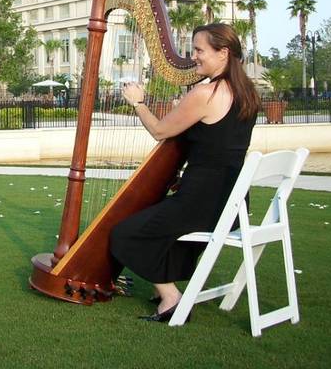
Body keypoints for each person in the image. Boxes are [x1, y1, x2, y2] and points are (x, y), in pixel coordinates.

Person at [110, 23, 260, 323]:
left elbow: (160, 130)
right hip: (230, 204)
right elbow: (219, 147)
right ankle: (166, 284)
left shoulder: (206, 93)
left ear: (223, 53)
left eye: (200, 50)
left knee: (123, 235)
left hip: (200, 203)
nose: (194, 57)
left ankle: (170, 297)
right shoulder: (248, 95)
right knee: (159, 222)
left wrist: (138, 102)